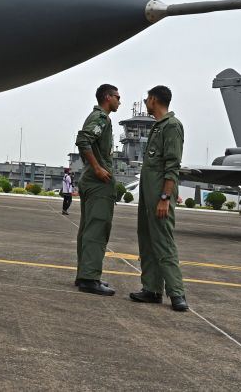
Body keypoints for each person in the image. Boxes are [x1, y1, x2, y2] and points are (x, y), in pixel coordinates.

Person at [129, 85, 189, 312]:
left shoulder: (172, 126)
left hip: (159, 196)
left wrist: (165, 197)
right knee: (146, 239)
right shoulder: (157, 127)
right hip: (148, 195)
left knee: (163, 241)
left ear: (154, 100)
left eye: (147, 98)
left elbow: (172, 166)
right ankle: (152, 289)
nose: (145, 101)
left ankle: (177, 293)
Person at [74, 84, 121, 296]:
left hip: (90, 180)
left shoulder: (101, 118)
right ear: (107, 97)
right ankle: (89, 278)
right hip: (97, 183)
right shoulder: (101, 118)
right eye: (117, 97)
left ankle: (85, 273)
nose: (119, 101)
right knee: (97, 229)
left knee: (87, 229)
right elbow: (83, 141)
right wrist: (98, 168)